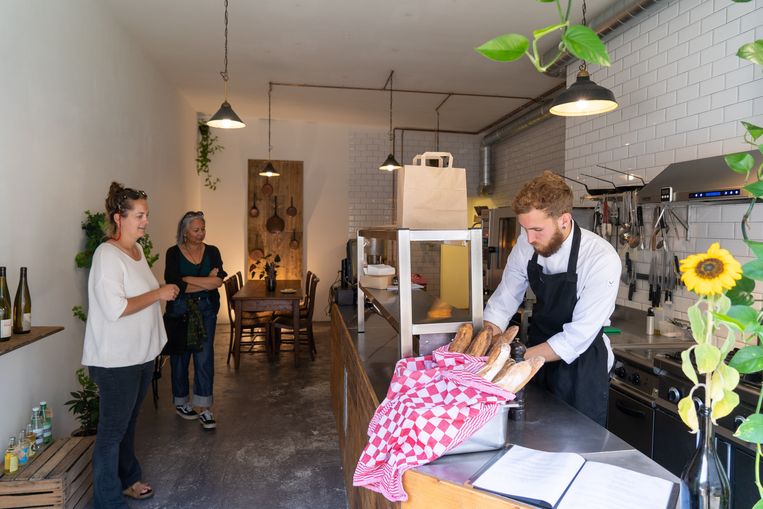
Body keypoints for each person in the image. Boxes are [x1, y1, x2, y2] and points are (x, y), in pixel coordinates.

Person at [483, 171, 620, 425]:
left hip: (582, 367)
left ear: (564, 220)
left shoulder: (601, 258)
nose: (529, 238)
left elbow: (577, 337)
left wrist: (516, 360)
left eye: (537, 229)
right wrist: (486, 348)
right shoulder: (527, 244)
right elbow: (503, 302)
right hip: (537, 352)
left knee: (574, 444)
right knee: (531, 432)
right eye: (525, 229)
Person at [82, 182, 179, 507]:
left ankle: (128, 479)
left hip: (138, 356)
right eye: (139, 215)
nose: (145, 221)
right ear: (118, 217)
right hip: (115, 361)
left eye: (146, 215)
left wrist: (159, 293)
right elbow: (116, 307)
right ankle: (107, 500)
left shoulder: (135, 253)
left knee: (129, 422)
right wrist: (159, 293)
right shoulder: (106, 255)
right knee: (111, 432)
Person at [164, 211, 226, 430]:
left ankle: (205, 407)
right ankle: (181, 401)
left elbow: (218, 282)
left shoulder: (212, 251)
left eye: (203, 229)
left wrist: (188, 280)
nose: (201, 234)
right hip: (179, 310)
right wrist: (205, 280)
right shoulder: (173, 253)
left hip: (206, 309)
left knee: (204, 356)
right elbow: (173, 284)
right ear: (185, 232)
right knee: (180, 356)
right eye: (196, 230)